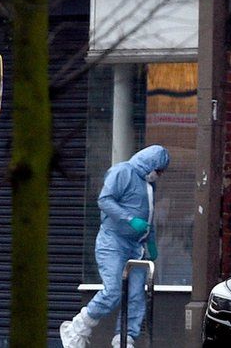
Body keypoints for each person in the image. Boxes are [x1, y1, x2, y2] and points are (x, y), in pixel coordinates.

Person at [60, 145, 170, 348]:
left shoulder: (148, 184)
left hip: (136, 246)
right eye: (159, 170)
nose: (159, 175)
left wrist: (150, 240)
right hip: (113, 242)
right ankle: (77, 328)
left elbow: (149, 215)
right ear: (151, 164)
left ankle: (125, 339)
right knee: (113, 290)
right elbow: (104, 200)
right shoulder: (123, 172)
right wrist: (129, 219)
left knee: (136, 295)